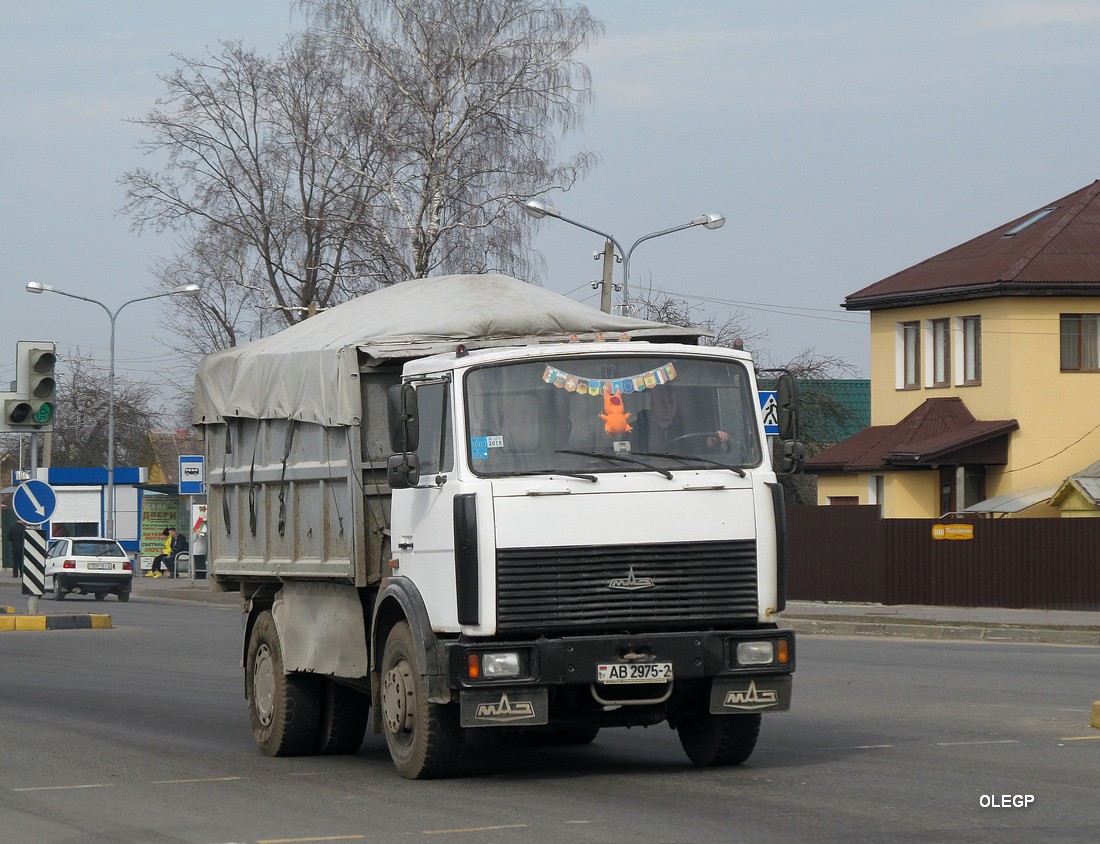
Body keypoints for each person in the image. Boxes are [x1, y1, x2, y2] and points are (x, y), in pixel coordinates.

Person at [630, 385, 729, 453]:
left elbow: (705, 444)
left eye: (671, 401)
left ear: (677, 404)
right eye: (661, 401)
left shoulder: (690, 426)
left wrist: (714, 440)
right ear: (652, 404)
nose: (667, 406)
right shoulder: (635, 429)